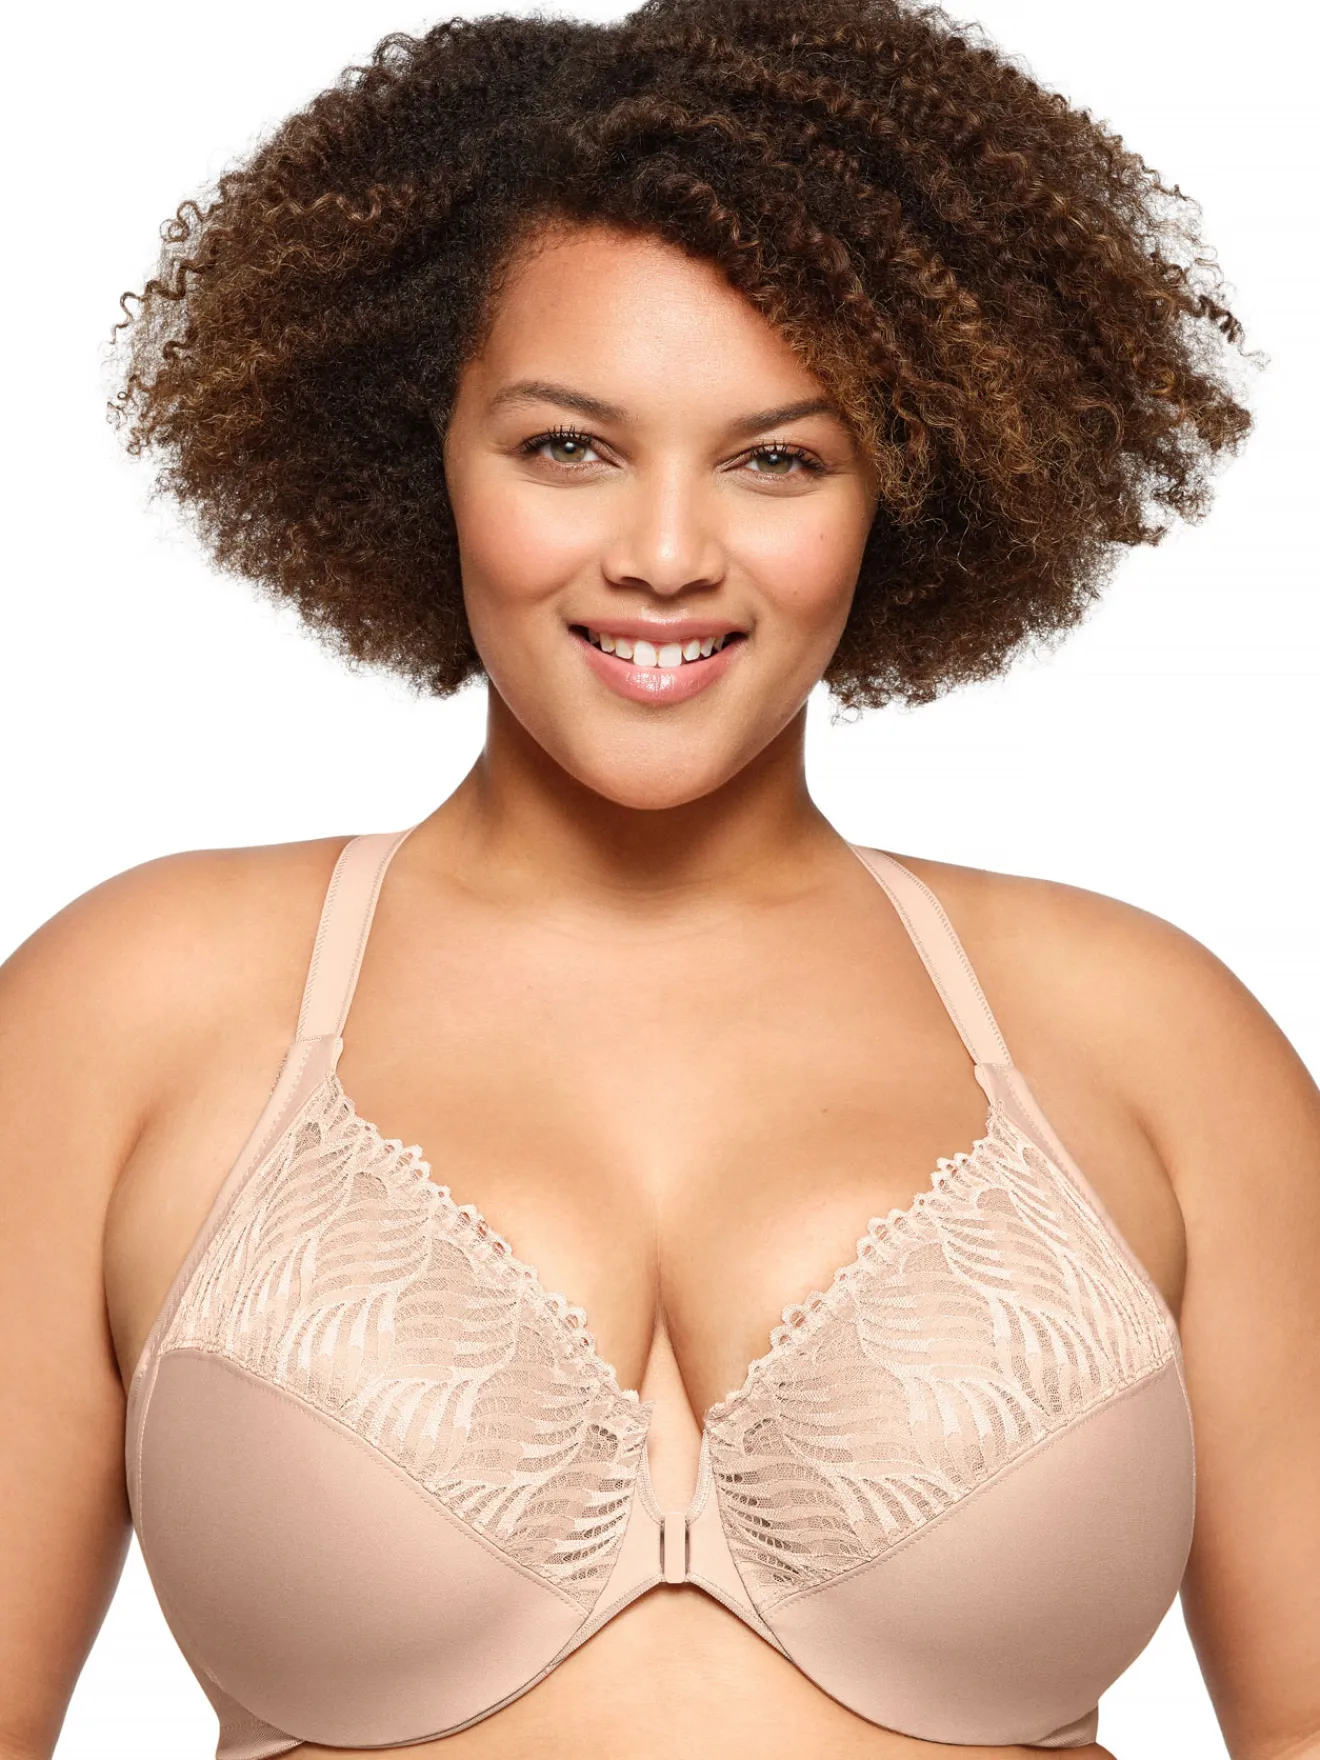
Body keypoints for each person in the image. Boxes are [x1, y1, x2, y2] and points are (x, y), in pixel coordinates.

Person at [2, 0, 1317, 1756]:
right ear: (418, 447)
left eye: (779, 458)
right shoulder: (133, 1010)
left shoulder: (1152, 1036)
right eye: (570, 446)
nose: (670, 555)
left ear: (908, 482)